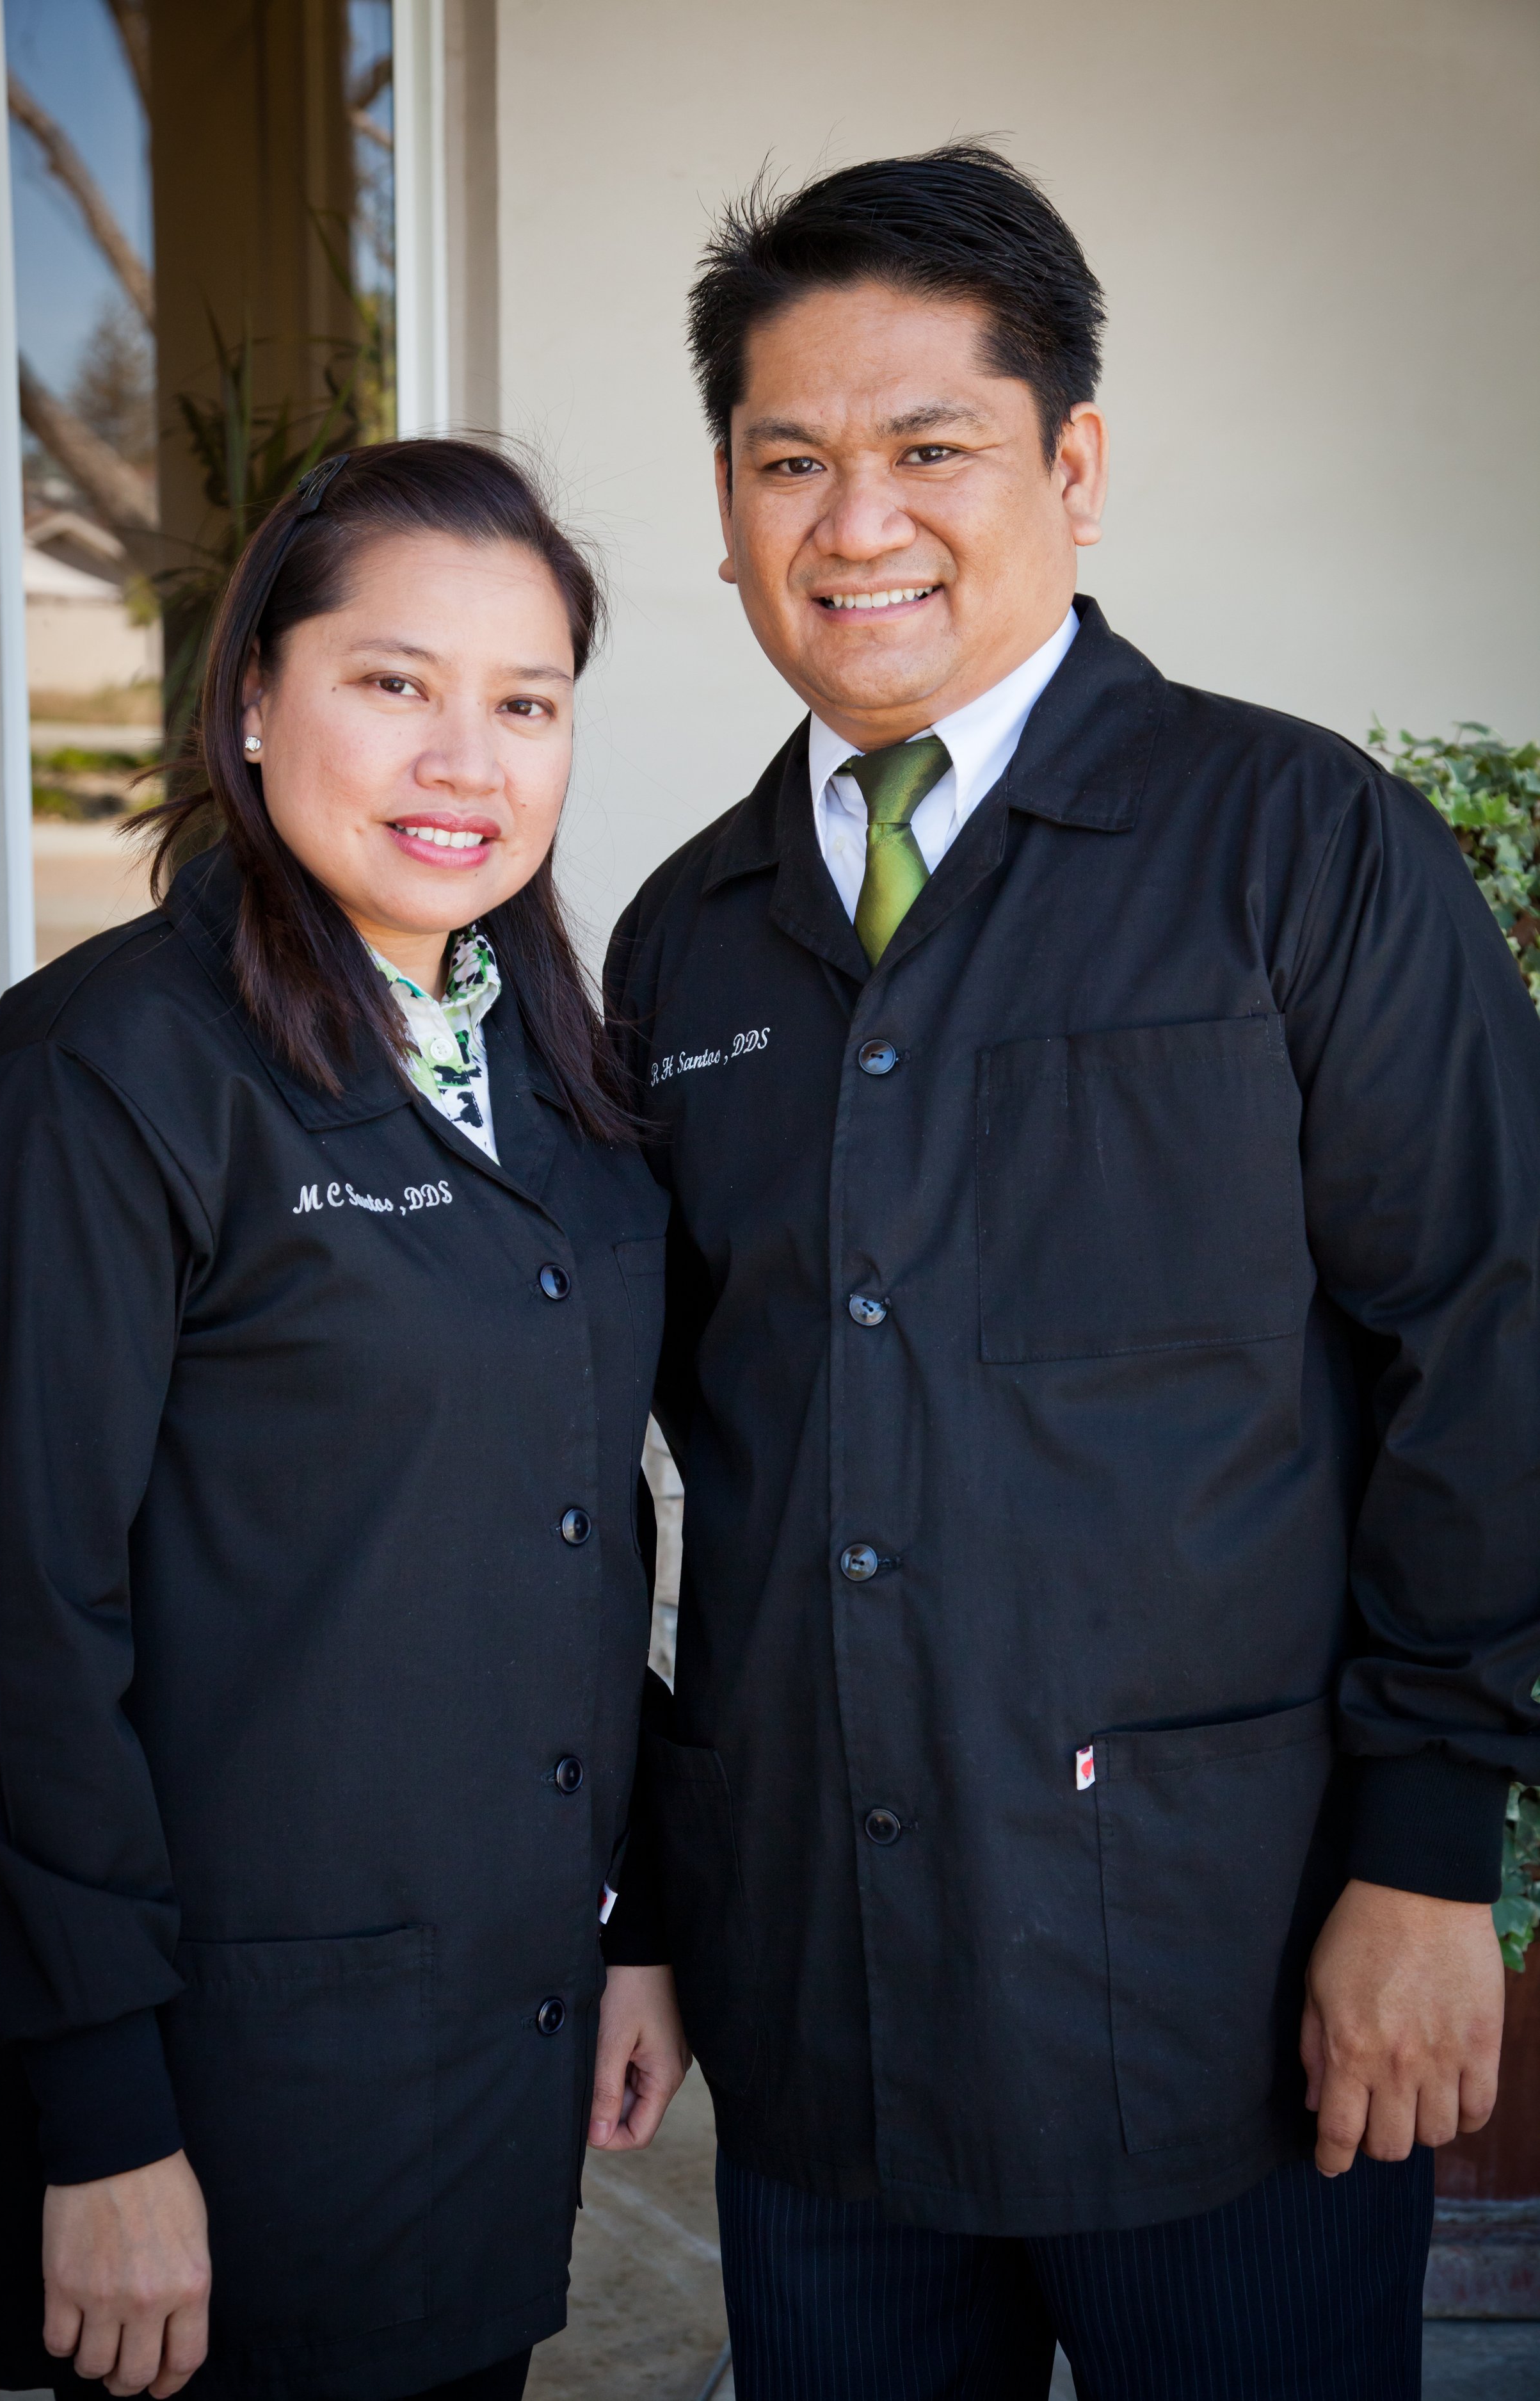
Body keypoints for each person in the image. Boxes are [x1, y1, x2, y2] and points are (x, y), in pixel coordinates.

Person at [602, 146, 1540, 2398]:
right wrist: (644, 1897)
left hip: (1227, 1986)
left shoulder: (1301, 847)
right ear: (726, 498)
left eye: (930, 450)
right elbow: (603, 1443)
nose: (857, 525)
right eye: (789, 460)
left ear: (1073, 465)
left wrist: (1424, 1866)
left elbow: (1488, 1347)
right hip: (823, 2004)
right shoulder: (680, 937)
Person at [0, 438, 686, 2401]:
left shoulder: (558, 1074)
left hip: (493, 2015)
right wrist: (102, 2120)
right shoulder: (106, 1076)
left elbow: (581, 1533)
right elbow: (20, 1632)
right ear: (256, 698)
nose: (469, 761)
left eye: (524, 703)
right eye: (393, 683)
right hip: (226, 2073)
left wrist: (634, 1916)